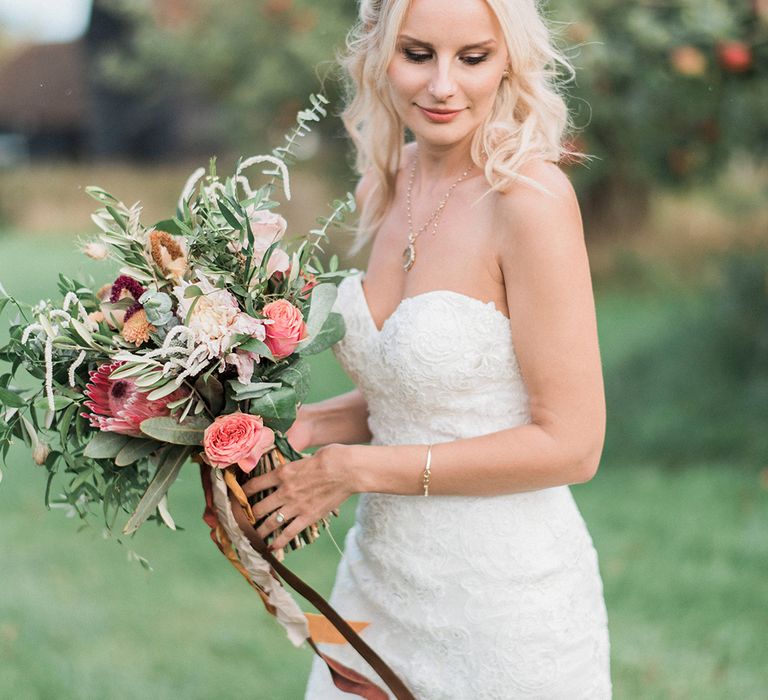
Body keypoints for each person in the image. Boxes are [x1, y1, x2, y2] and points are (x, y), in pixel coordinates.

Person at [243, 0, 612, 697]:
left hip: (506, 608)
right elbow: (420, 391)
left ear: (509, 61)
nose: (443, 85)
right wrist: (311, 428)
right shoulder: (388, 180)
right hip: (377, 591)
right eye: (418, 54)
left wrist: (354, 470)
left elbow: (574, 444)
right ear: (379, 52)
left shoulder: (530, 199)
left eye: (473, 57)